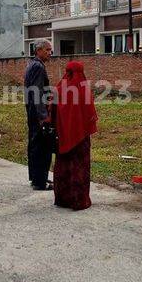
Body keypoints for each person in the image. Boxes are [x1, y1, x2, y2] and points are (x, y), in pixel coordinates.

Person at [54, 61, 98, 210]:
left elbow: (51, 110)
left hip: (63, 135)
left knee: (63, 166)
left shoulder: (60, 87)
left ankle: (63, 199)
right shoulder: (83, 88)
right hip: (80, 137)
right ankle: (79, 200)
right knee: (79, 167)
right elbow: (90, 112)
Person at [24, 39, 54, 191]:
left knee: (35, 145)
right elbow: (37, 92)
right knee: (41, 147)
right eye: (47, 50)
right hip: (37, 113)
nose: (50, 53)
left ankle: (37, 178)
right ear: (39, 50)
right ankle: (40, 182)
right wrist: (44, 116)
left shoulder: (33, 64)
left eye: (50, 50)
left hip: (32, 111)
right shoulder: (38, 67)